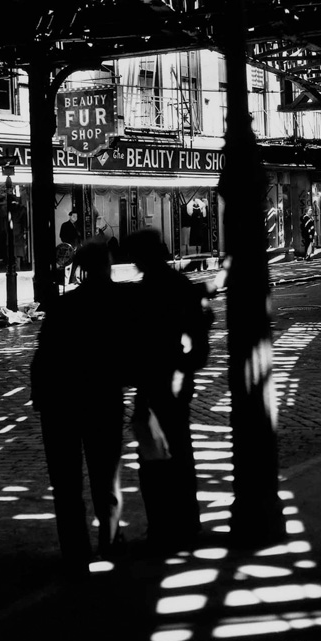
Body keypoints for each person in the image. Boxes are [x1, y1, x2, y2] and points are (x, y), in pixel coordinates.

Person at [30, 241, 127, 578]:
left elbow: (44, 355)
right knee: (106, 477)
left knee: (66, 484)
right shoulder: (120, 303)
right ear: (108, 265)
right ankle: (111, 542)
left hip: (60, 402)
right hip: (102, 399)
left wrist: (40, 395)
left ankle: (76, 552)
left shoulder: (64, 306)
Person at [124, 229, 212, 552]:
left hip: (152, 384)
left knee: (153, 460)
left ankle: (161, 527)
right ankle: (186, 523)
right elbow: (200, 342)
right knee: (180, 453)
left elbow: (132, 343)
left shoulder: (144, 293)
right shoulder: (181, 286)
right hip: (176, 382)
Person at [59, 210, 82, 284]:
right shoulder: (65, 225)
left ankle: (73, 279)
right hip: (69, 247)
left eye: (76, 216)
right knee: (68, 264)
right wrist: (69, 245)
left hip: (77, 247)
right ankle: (66, 281)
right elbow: (62, 236)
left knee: (76, 264)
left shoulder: (77, 226)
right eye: (73, 216)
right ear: (70, 216)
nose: (75, 217)